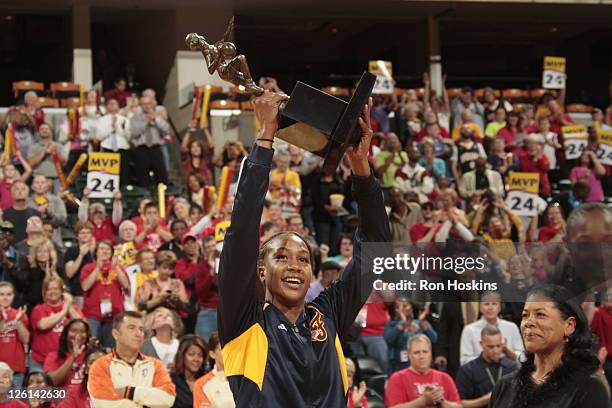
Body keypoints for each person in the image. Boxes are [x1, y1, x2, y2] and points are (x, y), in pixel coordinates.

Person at [218, 92, 389, 407]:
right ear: (261, 270)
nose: (295, 265)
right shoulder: (244, 320)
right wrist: (266, 135)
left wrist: (361, 168)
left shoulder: (328, 313)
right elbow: (241, 232)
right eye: (281, 257)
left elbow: (376, 248)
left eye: (303, 259)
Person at [489, 285, 611, 407]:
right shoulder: (504, 386)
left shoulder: (588, 387)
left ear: (569, 326)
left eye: (540, 314)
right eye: (525, 315)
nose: (528, 322)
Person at [87, 311, 176, 407]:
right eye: (131, 328)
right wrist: (147, 403)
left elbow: (168, 398)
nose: (139, 334)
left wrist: (130, 391)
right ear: (116, 334)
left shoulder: (155, 365)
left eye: (141, 329)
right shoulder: (100, 366)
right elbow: (105, 404)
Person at [385, 334, 462, 408]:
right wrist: (423, 401)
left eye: (425, 352)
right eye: (417, 352)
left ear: (431, 353)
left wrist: (441, 401)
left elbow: (458, 406)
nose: (421, 356)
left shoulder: (445, 378)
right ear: (409, 355)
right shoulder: (397, 378)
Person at [80, 240, 130, 348]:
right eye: (101, 248)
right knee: (92, 347)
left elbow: (126, 285)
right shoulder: (88, 268)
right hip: (93, 314)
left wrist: (116, 267)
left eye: (107, 249)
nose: (105, 251)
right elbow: (85, 286)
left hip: (114, 314)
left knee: (111, 348)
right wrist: (97, 268)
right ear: (96, 252)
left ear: (112, 253)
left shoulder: (119, 268)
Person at [30, 276, 84, 374]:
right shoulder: (38, 309)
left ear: (62, 291)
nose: (52, 292)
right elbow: (43, 325)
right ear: (44, 292)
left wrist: (69, 306)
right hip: (40, 361)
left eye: (55, 289)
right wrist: (65, 310)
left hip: (64, 362)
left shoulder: (72, 308)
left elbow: (82, 325)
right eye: (49, 289)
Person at [455, 325, 518, 408]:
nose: (496, 350)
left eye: (499, 346)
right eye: (491, 347)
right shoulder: (468, 370)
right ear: (481, 344)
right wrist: (486, 399)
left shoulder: (512, 367)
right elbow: (461, 404)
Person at [459, 291, 523, 365]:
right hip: (479, 374)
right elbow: (464, 361)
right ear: (480, 308)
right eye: (486, 304)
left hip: (509, 372)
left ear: (499, 308)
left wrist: (506, 351)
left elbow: (523, 358)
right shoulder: (469, 330)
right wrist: (486, 356)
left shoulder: (512, 327)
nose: (490, 307)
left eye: (494, 304)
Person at [385, 299, 437, 373]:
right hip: (398, 366)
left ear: (412, 308)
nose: (401, 309)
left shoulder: (420, 323)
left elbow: (434, 338)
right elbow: (389, 339)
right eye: (397, 307)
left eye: (405, 306)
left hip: (421, 364)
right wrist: (403, 323)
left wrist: (422, 322)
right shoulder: (391, 325)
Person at [43, 318, 91, 387]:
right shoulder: (53, 356)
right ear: (66, 333)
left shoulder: (91, 355)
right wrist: (73, 357)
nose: (78, 335)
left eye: (82, 331)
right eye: (74, 331)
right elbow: (52, 381)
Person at [192, 332, 235, 408]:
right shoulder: (201, 384)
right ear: (212, 354)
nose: (227, 352)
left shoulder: (244, 379)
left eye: (230, 347)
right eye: (222, 348)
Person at [0, 282, 29, 388]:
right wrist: (3, 319)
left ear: (13, 296)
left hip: (16, 368)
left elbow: (25, 339)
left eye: (8, 294)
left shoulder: (19, 314)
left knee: (15, 403)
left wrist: (18, 320)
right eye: (2, 294)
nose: (5, 298)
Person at [169, 335, 207, 408]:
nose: (196, 359)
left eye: (200, 355)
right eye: (191, 354)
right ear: (182, 356)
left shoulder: (207, 381)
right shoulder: (171, 381)